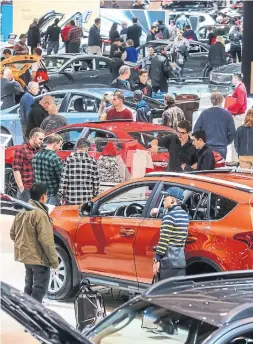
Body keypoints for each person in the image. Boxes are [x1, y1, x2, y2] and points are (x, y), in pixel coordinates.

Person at [10, 182, 58, 303]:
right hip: (39, 259)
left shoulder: (22, 212)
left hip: (27, 257)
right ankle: (36, 314)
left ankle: (27, 311)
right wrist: (54, 261)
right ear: (42, 197)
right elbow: (46, 241)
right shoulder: (40, 215)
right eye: (46, 195)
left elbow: (13, 234)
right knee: (39, 289)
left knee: (28, 286)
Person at [153, 187, 189, 280]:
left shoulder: (169, 216)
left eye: (166, 196)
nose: (163, 199)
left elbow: (164, 240)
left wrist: (157, 259)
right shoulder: (184, 215)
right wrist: (159, 211)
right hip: (180, 260)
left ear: (173, 200)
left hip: (168, 261)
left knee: (163, 291)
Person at [194, 92, 236, 159]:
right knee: (220, 168)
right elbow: (233, 132)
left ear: (211, 101)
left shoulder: (204, 113)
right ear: (222, 100)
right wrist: (227, 141)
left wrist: (201, 141)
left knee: (206, 168)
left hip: (206, 146)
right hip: (222, 146)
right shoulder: (227, 114)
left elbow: (196, 130)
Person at [58, 138, 100, 205]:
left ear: (77, 147)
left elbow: (64, 179)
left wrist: (61, 196)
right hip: (87, 198)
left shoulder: (69, 160)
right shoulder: (92, 161)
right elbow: (96, 181)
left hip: (71, 198)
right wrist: (95, 194)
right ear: (87, 148)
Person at [13, 128, 45, 202]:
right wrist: (21, 188)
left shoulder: (40, 150)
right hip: (27, 188)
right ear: (33, 137)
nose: (42, 141)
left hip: (38, 188)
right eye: (40, 139)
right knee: (26, 212)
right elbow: (16, 170)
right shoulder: (21, 150)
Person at [32, 133, 63, 206]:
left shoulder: (36, 156)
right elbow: (61, 177)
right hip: (53, 194)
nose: (60, 147)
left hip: (40, 194)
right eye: (60, 145)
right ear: (55, 143)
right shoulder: (55, 158)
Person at [226, 73, 247, 165]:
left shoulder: (240, 88)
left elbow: (240, 102)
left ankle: (235, 160)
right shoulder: (241, 87)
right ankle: (236, 159)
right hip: (238, 115)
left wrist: (229, 108)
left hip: (238, 115)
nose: (232, 80)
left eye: (232, 78)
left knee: (235, 137)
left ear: (235, 78)